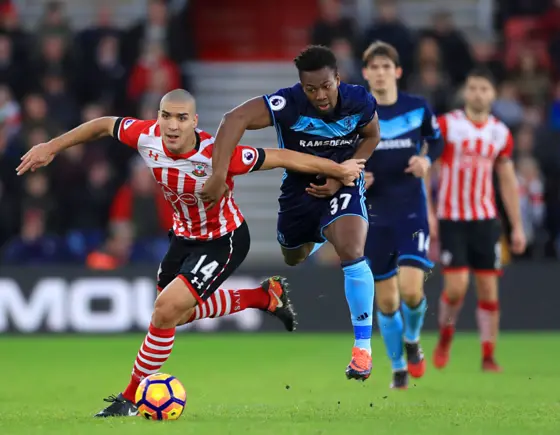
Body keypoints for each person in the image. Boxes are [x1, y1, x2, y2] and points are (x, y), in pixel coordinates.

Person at [16, 89, 366, 417]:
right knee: (176, 317)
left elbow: (280, 157)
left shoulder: (218, 154)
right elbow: (104, 125)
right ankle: (263, 297)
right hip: (183, 238)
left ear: (194, 122)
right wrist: (52, 145)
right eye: (166, 116)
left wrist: (338, 169)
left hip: (224, 239)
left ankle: (131, 397)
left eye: (182, 118)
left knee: (165, 311)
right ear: (158, 117)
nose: (172, 125)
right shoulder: (146, 136)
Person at [199, 46, 381, 381]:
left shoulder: (359, 100)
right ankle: (316, 239)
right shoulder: (289, 103)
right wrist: (218, 174)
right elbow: (233, 119)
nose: (320, 96)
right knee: (293, 256)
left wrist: (348, 169)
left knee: (353, 251)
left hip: (342, 184)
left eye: (326, 86)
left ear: (337, 79)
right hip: (299, 192)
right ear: (301, 86)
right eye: (311, 89)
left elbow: (371, 136)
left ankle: (363, 349)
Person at [429, 68, 526, 372]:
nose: (478, 94)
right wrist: (428, 211)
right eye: (473, 88)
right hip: (452, 218)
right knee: (456, 287)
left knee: (488, 289)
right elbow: (426, 167)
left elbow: (508, 180)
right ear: (465, 93)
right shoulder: (448, 125)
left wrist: (517, 225)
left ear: (493, 94)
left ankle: (488, 355)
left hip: (485, 220)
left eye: (484, 88)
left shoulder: (500, 133)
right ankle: (445, 335)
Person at [360, 41, 443, 389]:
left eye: (385, 66)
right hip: (375, 213)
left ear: (397, 71)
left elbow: (436, 140)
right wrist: (356, 176)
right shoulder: (356, 115)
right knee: (387, 299)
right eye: (373, 68)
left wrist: (426, 160)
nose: (379, 73)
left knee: (411, 291)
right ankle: (398, 368)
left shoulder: (417, 107)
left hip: (411, 209)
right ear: (365, 74)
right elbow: (342, 157)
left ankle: (411, 341)